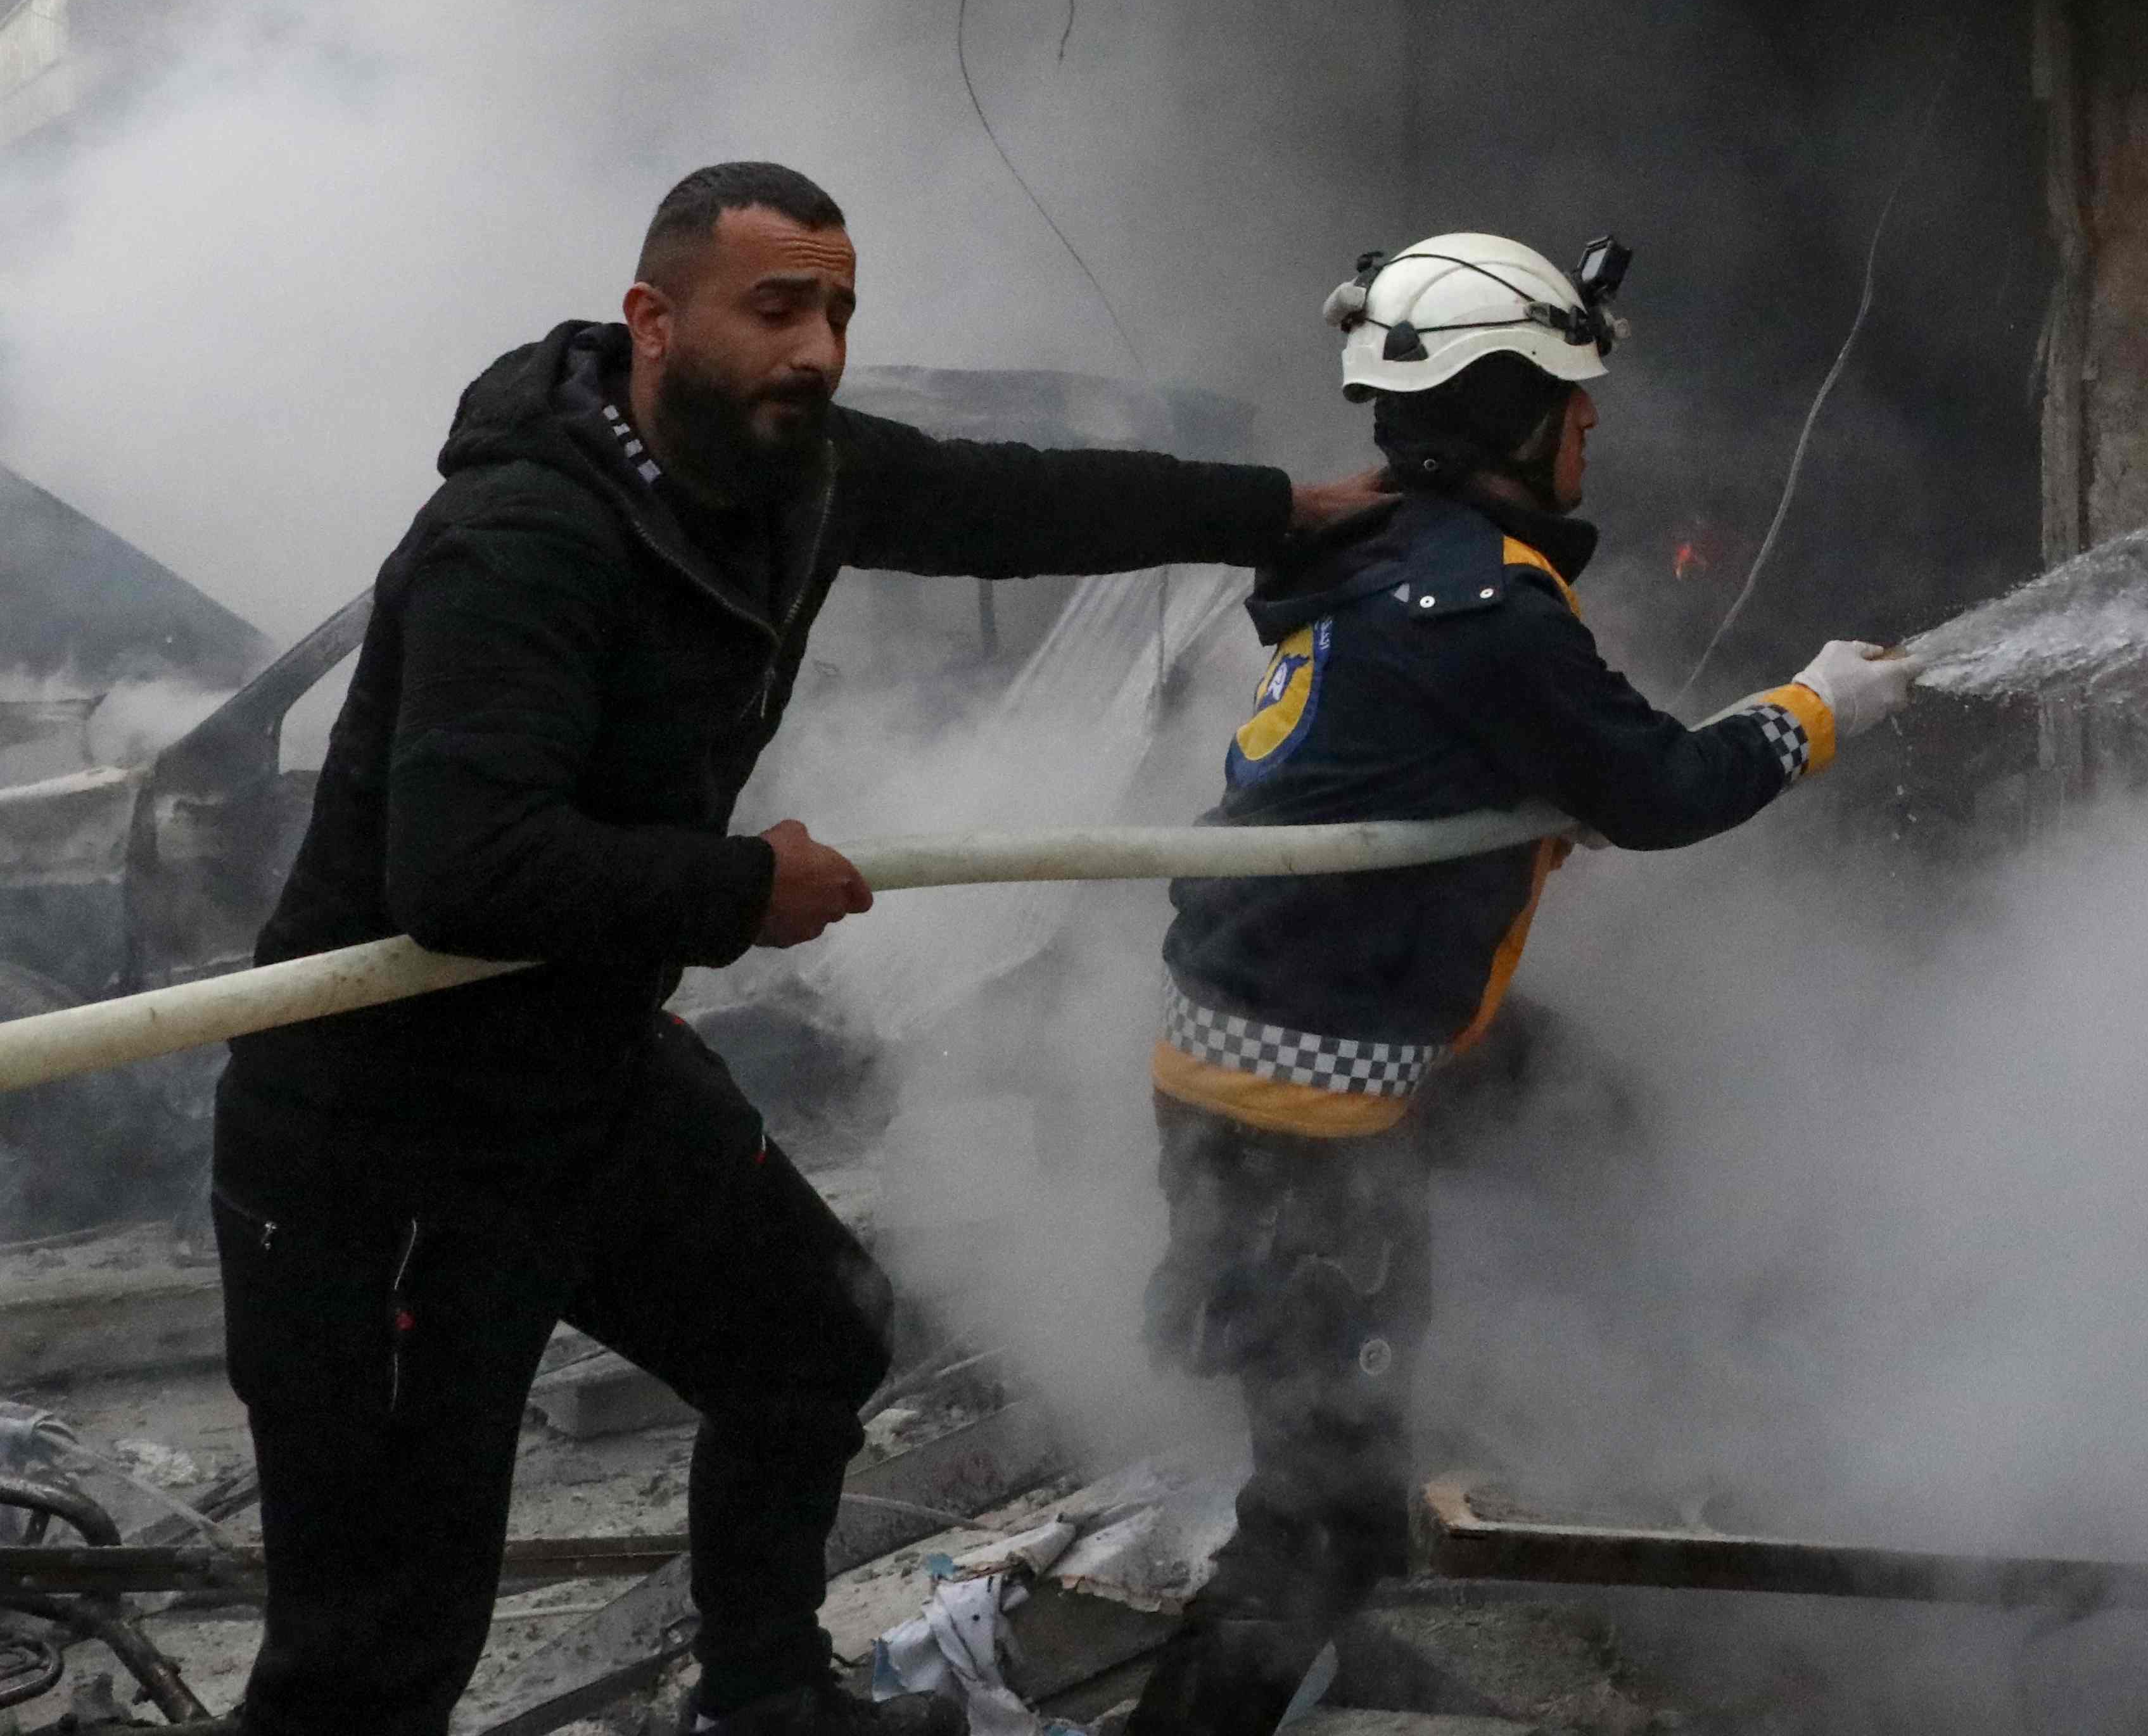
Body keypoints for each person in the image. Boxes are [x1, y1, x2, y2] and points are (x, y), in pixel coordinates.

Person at [208, 161, 1397, 1736]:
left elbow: (1010, 498)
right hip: (386, 1138)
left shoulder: (796, 476)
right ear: (653, 318)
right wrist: (738, 884)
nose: (818, 347)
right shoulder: (527, 534)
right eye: (777, 307)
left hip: (584, 1065)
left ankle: (767, 1697)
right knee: (379, 1646)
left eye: (838, 309)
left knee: (808, 1333)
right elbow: (464, 869)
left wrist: (1276, 512)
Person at [1127, 231, 1911, 1736]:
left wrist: (1513, 814)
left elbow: (1402, 757)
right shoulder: (1483, 605)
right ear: (1509, 409)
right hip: (1307, 1117)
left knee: (1594, 1115)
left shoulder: (1370, 548)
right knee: (1328, 1522)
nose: (1593, 422)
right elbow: (1666, 786)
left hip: (1296, 1055)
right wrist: (1826, 704)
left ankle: (1659, 1409)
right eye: (1573, 394)